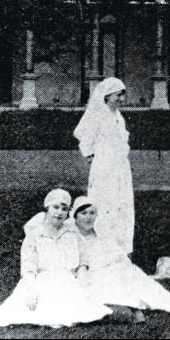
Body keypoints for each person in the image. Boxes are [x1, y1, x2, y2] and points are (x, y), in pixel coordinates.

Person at [0, 189, 111, 328]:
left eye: (64, 209)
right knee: (37, 312)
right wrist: (31, 289)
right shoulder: (34, 235)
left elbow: (82, 260)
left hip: (67, 282)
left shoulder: (73, 233)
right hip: (41, 281)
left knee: (84, 310)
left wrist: (83, 280)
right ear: (47, 208)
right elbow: (28, 266)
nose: (59, 212)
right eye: (55, 207)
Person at [71, 196, 170, 320]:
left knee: (129, 272)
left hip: (108, 269)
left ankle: (143, 304)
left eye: (92, 213)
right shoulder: (71, 235)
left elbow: (115, 254)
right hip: (87, 274)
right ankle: (133, 308)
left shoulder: (100, 234)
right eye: (83, 213)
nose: (88, 217)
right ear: (75, 216)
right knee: (112, 276)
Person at [74, 77, 134, 255]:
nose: (121, 99)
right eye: (118, 95)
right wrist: (94, 157)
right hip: (105, 168)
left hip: (120, 167)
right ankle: (103, 247)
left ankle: (121, 248)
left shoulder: (118, 116)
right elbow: (85, 139)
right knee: (105, 204)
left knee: (122, 205)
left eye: (123, 95)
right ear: (107, 96)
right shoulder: (99, 116)